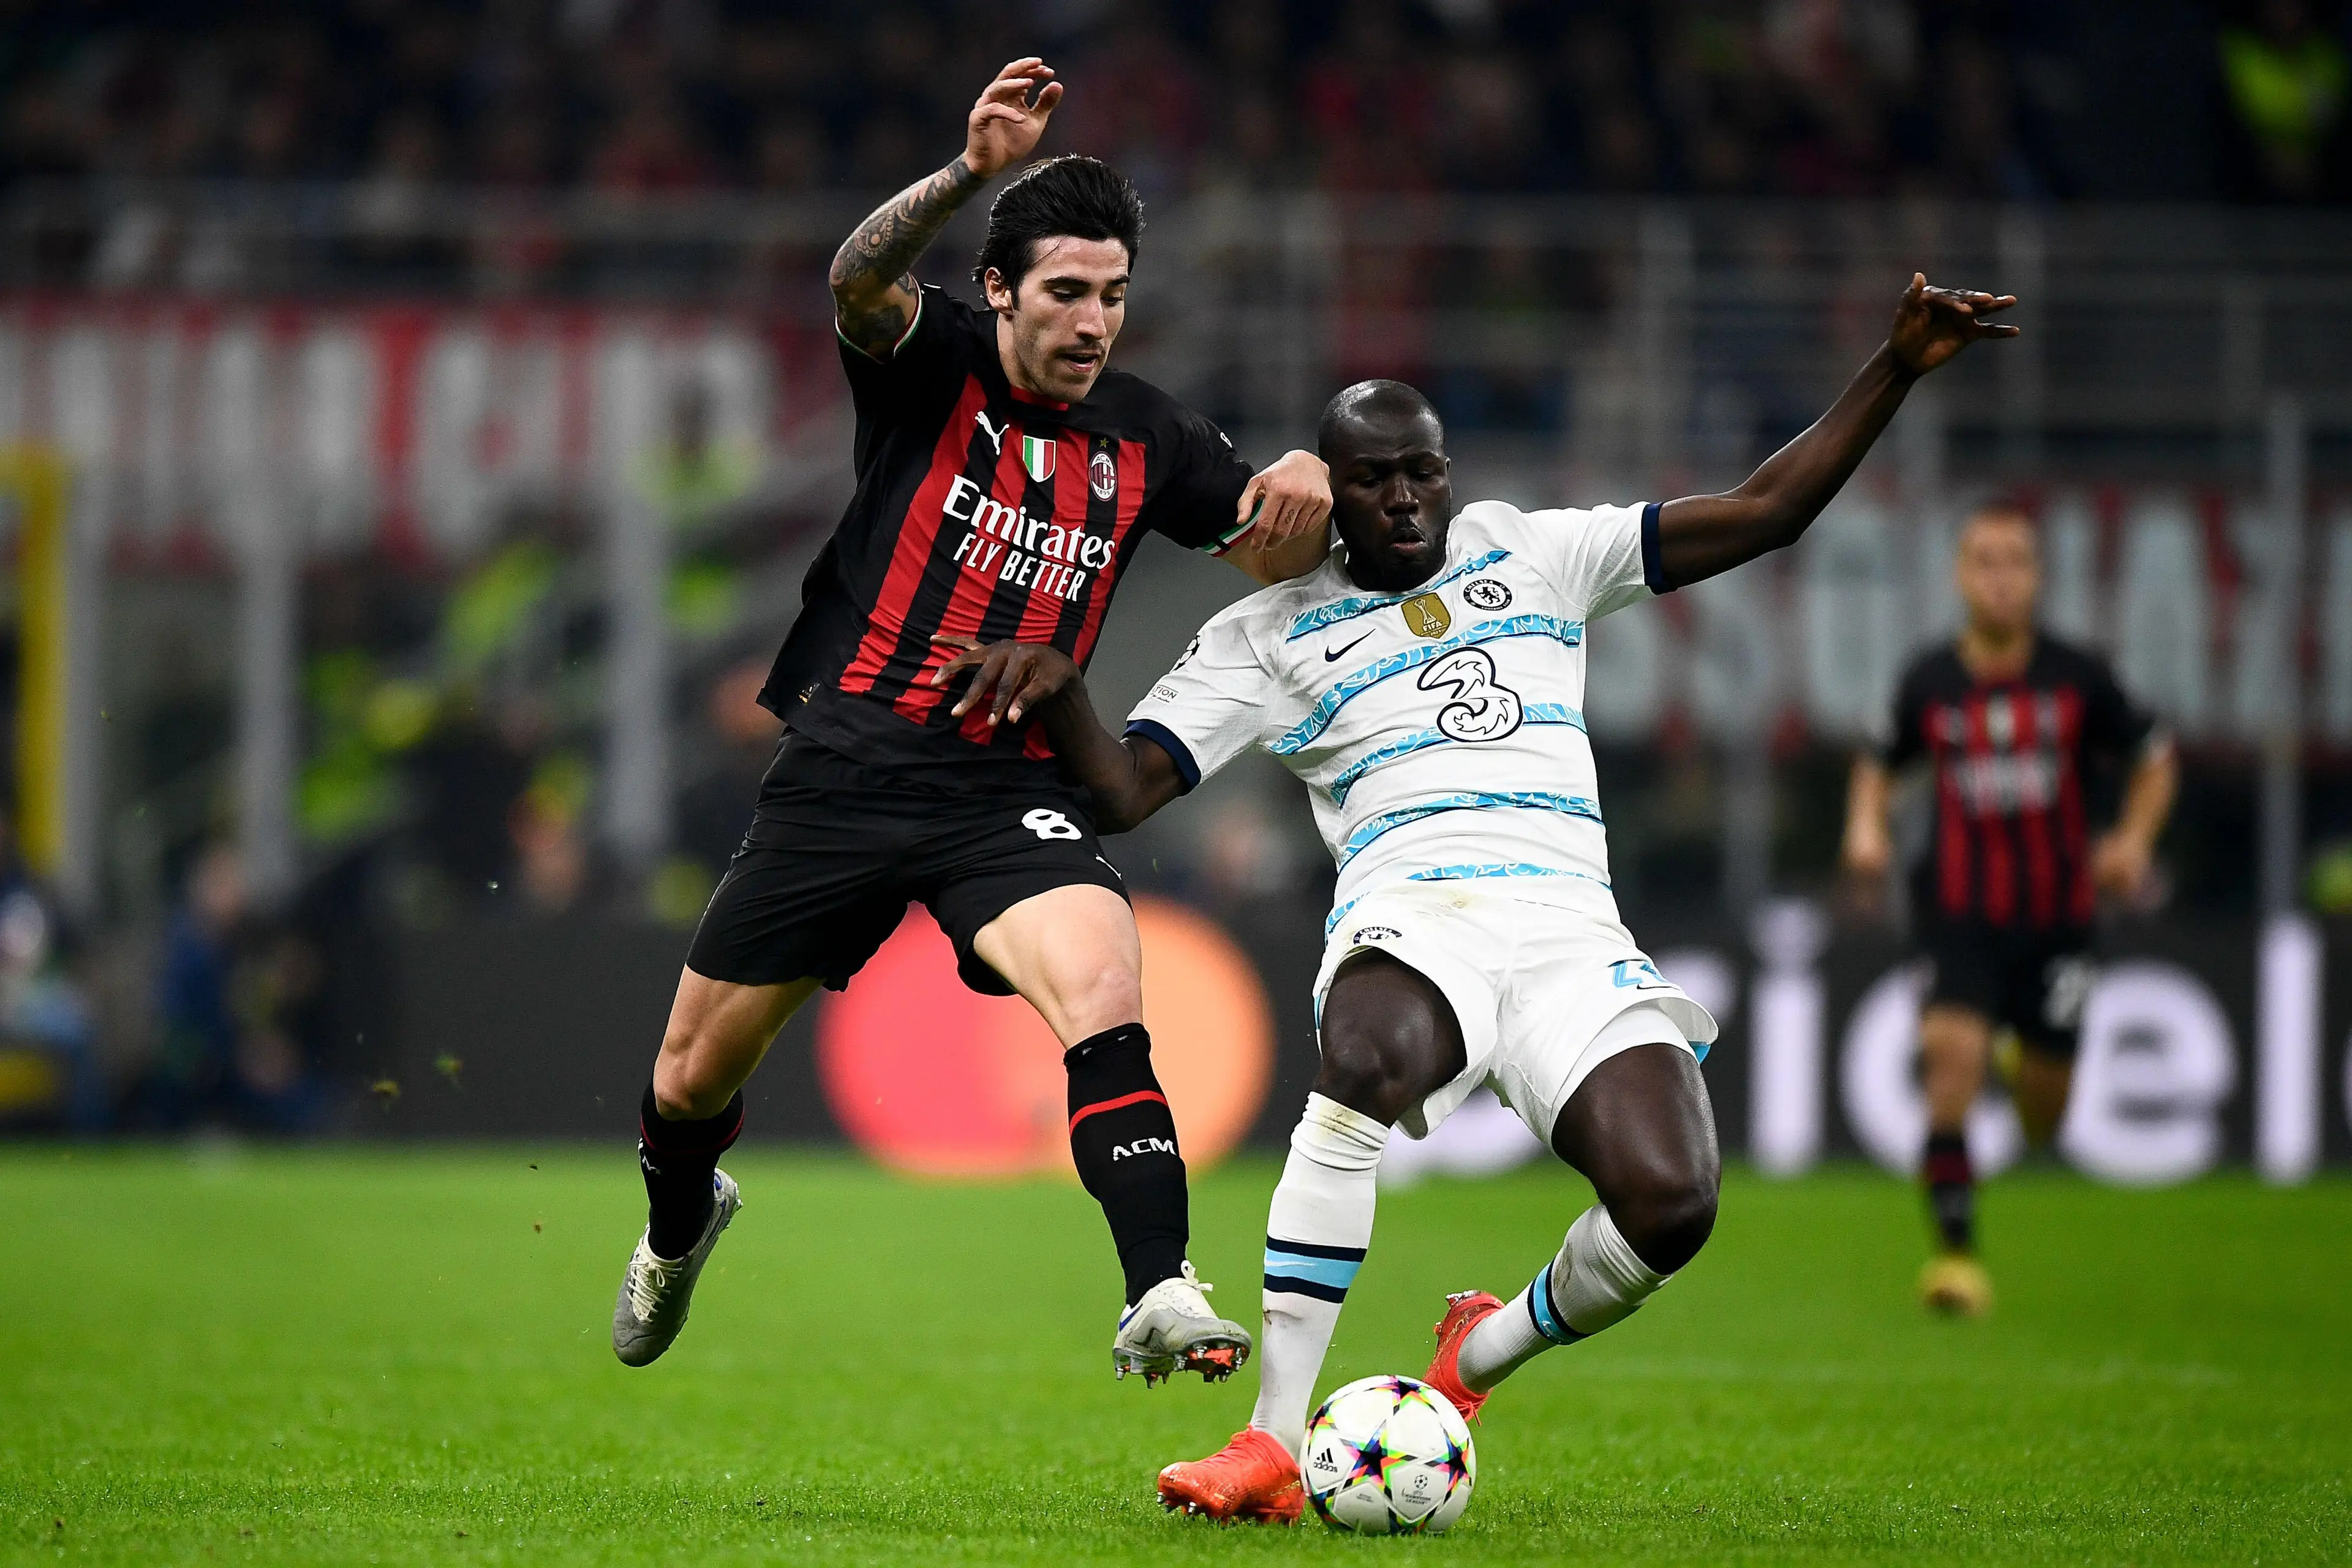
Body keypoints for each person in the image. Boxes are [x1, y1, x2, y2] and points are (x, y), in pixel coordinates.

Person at [933, 274, 2019, 1522]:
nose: (1404, 496)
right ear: (1330, 494)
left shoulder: (1537, 551)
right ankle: (1271, 1443)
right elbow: (1125, 792)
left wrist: (1893, 366)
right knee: (1365, 1057)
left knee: (1673, 1204)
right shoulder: (1270, 635)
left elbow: (1766, 513)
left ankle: (1478, 1356)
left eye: (1423, 473)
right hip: (1416, 914)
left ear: (1447, 474)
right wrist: (1067, 687)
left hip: (1571, 938)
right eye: (1375, 478)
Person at [611, 58, 1335, 1385]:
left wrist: (1311, 474)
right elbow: (851, 283)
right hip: (844, 769)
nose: (1094, 323)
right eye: (1066, 292)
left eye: (1115, 296)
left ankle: (1161, 1285)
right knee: (686, 1077)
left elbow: (1272, 550)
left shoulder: (1150, 436)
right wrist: (970, 174)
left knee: (1108, 977)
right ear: (999, 288)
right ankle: (678, 1224)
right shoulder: (930, 357)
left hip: (1006, 792)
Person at [1842, 505, 2176, 1317]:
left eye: (2015, 562)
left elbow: (2154, 759)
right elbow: (1878, 765)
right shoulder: (1931, 680)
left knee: (2044, 1113)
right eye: (1984, 561)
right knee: (1951, 1060)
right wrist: (1865, 829)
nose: (1999, 577)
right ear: (1961, 575)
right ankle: (1956, 1260)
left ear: (2036, 576)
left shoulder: (2077, 677)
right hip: (1958, 913)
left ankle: (2019, 1060)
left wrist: (2132, 840)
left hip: (2060, 919)